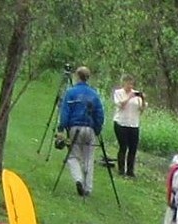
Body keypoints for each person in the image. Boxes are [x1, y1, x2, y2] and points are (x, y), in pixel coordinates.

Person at [59, 66, 104, 198]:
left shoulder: (71, 92)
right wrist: (97, 128)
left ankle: (78, 179)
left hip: (75, 127)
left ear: (77, 76)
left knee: (73, 156)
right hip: (90, 128)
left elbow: (65, 112)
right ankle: (87, 187)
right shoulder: (94, 94)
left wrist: (62, 128)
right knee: (88, 158)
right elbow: (100, 114)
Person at [110, 76, 145, 178]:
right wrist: (129, 96)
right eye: (128, 84)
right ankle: (121, 169)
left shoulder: (136, 94)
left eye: (131, 84)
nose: (130, 86)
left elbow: (142, 109)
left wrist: (142, 98)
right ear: (124, 83)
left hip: (133, 124)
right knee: (123, 146)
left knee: (133, 148)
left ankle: (130, 170)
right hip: (121, 122)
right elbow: (120, 105)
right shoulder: (118, 93)